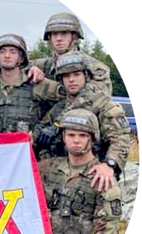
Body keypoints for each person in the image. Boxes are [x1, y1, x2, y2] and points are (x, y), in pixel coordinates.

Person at [38, 109, 121, 234]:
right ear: (63, 138)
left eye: (82, 135)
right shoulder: (46, 169)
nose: (76, 140)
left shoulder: (103, 179)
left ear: (92, 140)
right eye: (71, 135)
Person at [34, 51, 130, 190]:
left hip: (94, 176)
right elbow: (38, 131)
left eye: (76, 74)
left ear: (86, 76)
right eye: (66, 76)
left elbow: (120, 138)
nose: (71, 80)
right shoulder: (59, 108)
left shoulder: (103, 104)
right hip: (61, 176)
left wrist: (110, 164)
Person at [0, 33, 62, 134]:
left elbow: (69, 101)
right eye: (2, 52)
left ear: (21, 57)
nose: (7, 56)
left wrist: (49, 125)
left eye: (13, 52)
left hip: (27, 147)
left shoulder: (36, 83)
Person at [32, 12, 112, 94]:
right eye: (55, 34)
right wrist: (31, 70)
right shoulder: (40, 65)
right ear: (49, 37)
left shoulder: (95, 68)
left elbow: (96, 98)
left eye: (64, 33)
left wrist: (46, 84)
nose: (59, 38)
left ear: (74, 36)